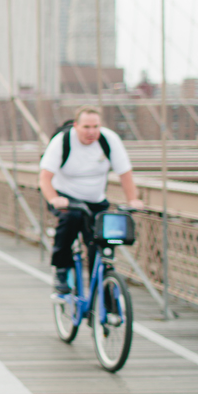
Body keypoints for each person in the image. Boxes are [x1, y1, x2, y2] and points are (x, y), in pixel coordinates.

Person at [39, 105, 144, 294]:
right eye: (86, 127)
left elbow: (125, 174)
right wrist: (54, 198)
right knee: (71, 219)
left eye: (96, 126)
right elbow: (44, 178)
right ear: (76, 126)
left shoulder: (109, 140)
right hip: (66, 198)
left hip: (96, 199)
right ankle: (61, 268)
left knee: (101, 239)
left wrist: (133, 199)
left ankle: (105, 285)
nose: (92, 132)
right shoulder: (62, 141)